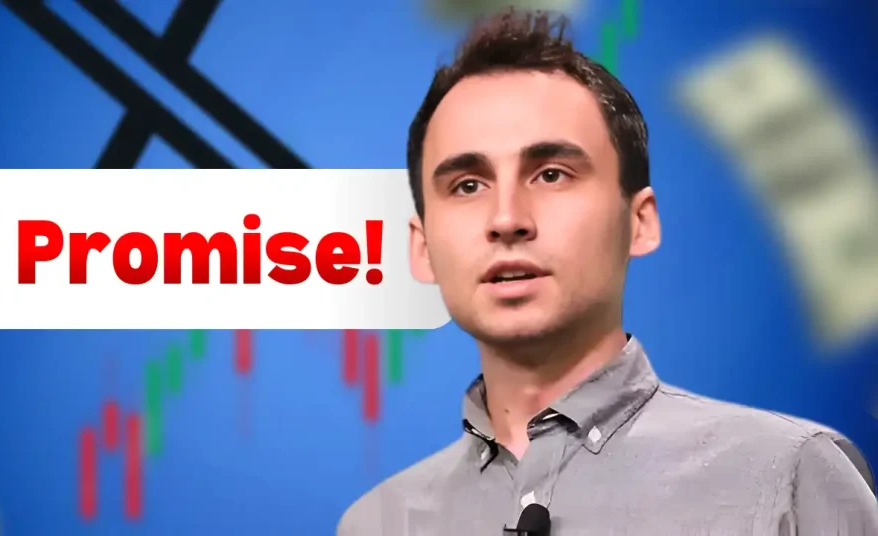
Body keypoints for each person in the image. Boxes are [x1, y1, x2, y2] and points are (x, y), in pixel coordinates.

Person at [338, 9, 878, 535]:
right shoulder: (377, 523)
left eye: (551, 174)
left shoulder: (788, 477)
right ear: (422, 249)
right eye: (468, 185)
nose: (506, 219)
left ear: (639, 222)